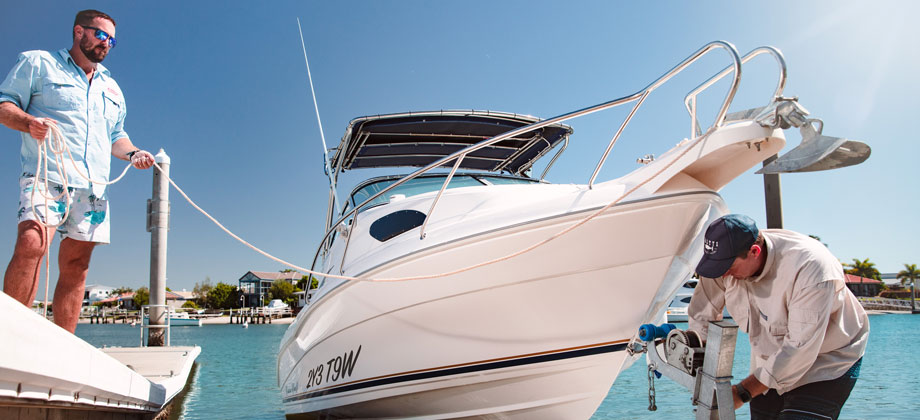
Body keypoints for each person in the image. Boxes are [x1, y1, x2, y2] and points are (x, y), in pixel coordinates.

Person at [0, 10, 154, 333]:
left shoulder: (112, 89)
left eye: (112, 40)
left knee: (77, 266)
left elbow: (116, 137)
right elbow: (4, 105)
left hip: (93, 188)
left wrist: (135, 153)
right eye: (101, 35)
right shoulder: (39, 63)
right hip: (47, 174)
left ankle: (63, 349)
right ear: (78, 32)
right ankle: (8, 337)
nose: (106, 44)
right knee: (32, 243)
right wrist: (29, 123)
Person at [688, 214, 869, 420]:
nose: (724, 275)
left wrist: (741, 392)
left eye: (728, 268)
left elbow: (799, 348)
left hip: (827, 361)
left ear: (754, 252)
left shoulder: (811, 268)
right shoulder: (724, 263)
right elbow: (702, 314)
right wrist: (697, 355)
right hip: (770, 359)